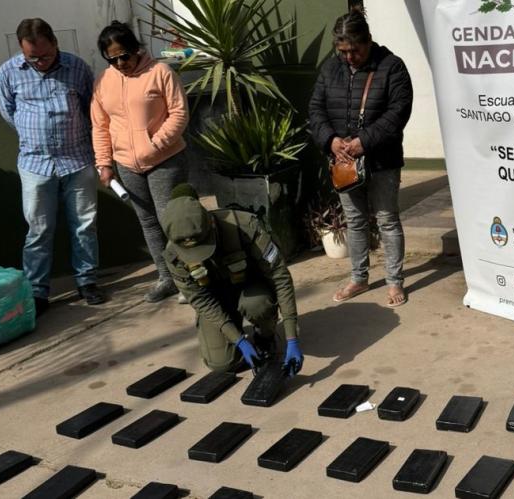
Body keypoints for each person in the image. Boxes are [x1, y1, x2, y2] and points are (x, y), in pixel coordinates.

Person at [0, 18, 105, 316]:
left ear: (55, 44)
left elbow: (90, 108)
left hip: (77, 160)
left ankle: (87, 281)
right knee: (38, 230)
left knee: (84, 225)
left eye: (45, 56)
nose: (40, 63)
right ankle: (37, 291)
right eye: (32, 57)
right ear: (22, 50)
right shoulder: (8, 72)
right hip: (34, 164)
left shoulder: (77, 67)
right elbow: (9, 113)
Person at [309, 7, 414, 308]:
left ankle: (394, 281)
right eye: (342, 51)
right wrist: (331, 140)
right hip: (344, 161)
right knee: (354, 221)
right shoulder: (331, 69)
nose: (348, 57)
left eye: (354, 50)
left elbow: (398, 113)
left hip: (382, 160)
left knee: (387, 219)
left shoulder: (392, 67)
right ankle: (359, 277)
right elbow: (315, 110)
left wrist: (363, 142)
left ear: (368, 41)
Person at [91, 21, 189, 303]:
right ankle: (166, 278)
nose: (120, 63)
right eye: (112, 58)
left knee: (170, 220)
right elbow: (100, 126)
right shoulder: (104, 82)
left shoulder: (160, 72)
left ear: (135, 49)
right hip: (127, 164)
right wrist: (104, 163)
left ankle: (186, 280)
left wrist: (155, 144)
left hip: (165, 159)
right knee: (147, 222)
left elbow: (179, 113)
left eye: (124, 55)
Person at [161, 184, 303, 375]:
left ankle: (265, 336)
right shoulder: (173, 255)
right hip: (217, 299)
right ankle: (237, 338)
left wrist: (292, 338)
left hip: (250, 288)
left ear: (211, 222)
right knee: (222, 365)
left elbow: (280, 277)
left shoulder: (245, 226)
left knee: (257, 305)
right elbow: (200, 300)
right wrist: (238, 340)